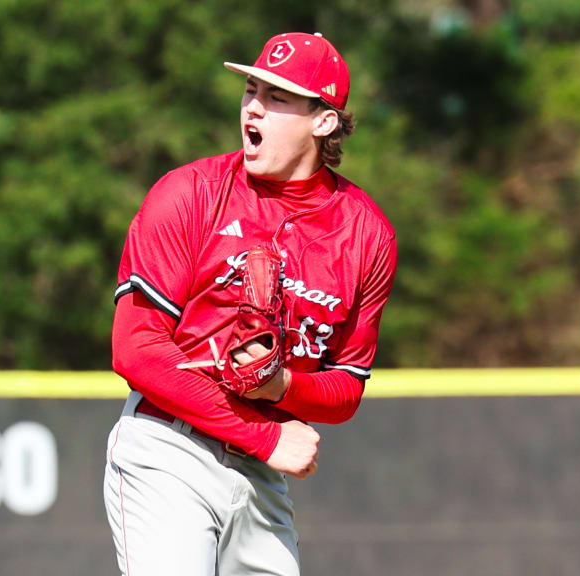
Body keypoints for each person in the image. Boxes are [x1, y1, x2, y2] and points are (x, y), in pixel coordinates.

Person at [104, 31, 397, 576]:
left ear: (324, 120)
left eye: (278, 97)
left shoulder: (367, 235)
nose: (253, 106)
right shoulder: (190, 193)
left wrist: (282, 387)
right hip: (170, 447)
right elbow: (135, 349)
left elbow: (346, 387)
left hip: (261, 476)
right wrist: (263, 434)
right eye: (251, 89)